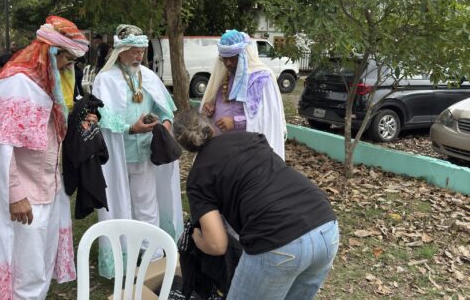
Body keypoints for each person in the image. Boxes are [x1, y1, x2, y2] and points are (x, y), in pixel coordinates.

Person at [0, 16, 92, 299]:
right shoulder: (16, 84)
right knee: (26, 270)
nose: (69, 65)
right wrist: (15, 195)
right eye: (67, 57)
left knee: (40, 264)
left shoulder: (47, 82)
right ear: (50, 52)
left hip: (49, 188)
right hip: (25, 196)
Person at [174, 109, 339, 300]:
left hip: (277, 240)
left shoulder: (198, 177)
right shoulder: (251, 138)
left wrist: (198, 239)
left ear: (184, 146)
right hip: (326, 227)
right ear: (210, 126)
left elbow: (217, 244)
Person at [92, 24, 183, 278]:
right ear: (120, 51)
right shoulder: (105, 79)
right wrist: (131, 128)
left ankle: (151, 253)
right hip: (117, 153)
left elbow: (167, 110)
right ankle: (124, 253)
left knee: (145, 202)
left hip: (145, 153)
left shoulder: (149, 76)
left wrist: (164, 124)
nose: (139, 55)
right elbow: (102, 115)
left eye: (141, 50)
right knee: (119, 203)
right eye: (134, 50)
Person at [200, 29, 287, 160]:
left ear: (243, 55)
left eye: (233, 58)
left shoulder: (262, 78)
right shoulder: (226, 75)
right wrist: (209, 107)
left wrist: (235, 122)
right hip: (222, 148)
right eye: (224, 59)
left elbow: (265, 118)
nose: (228, 63)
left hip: (246, 152)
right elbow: (219, 103)